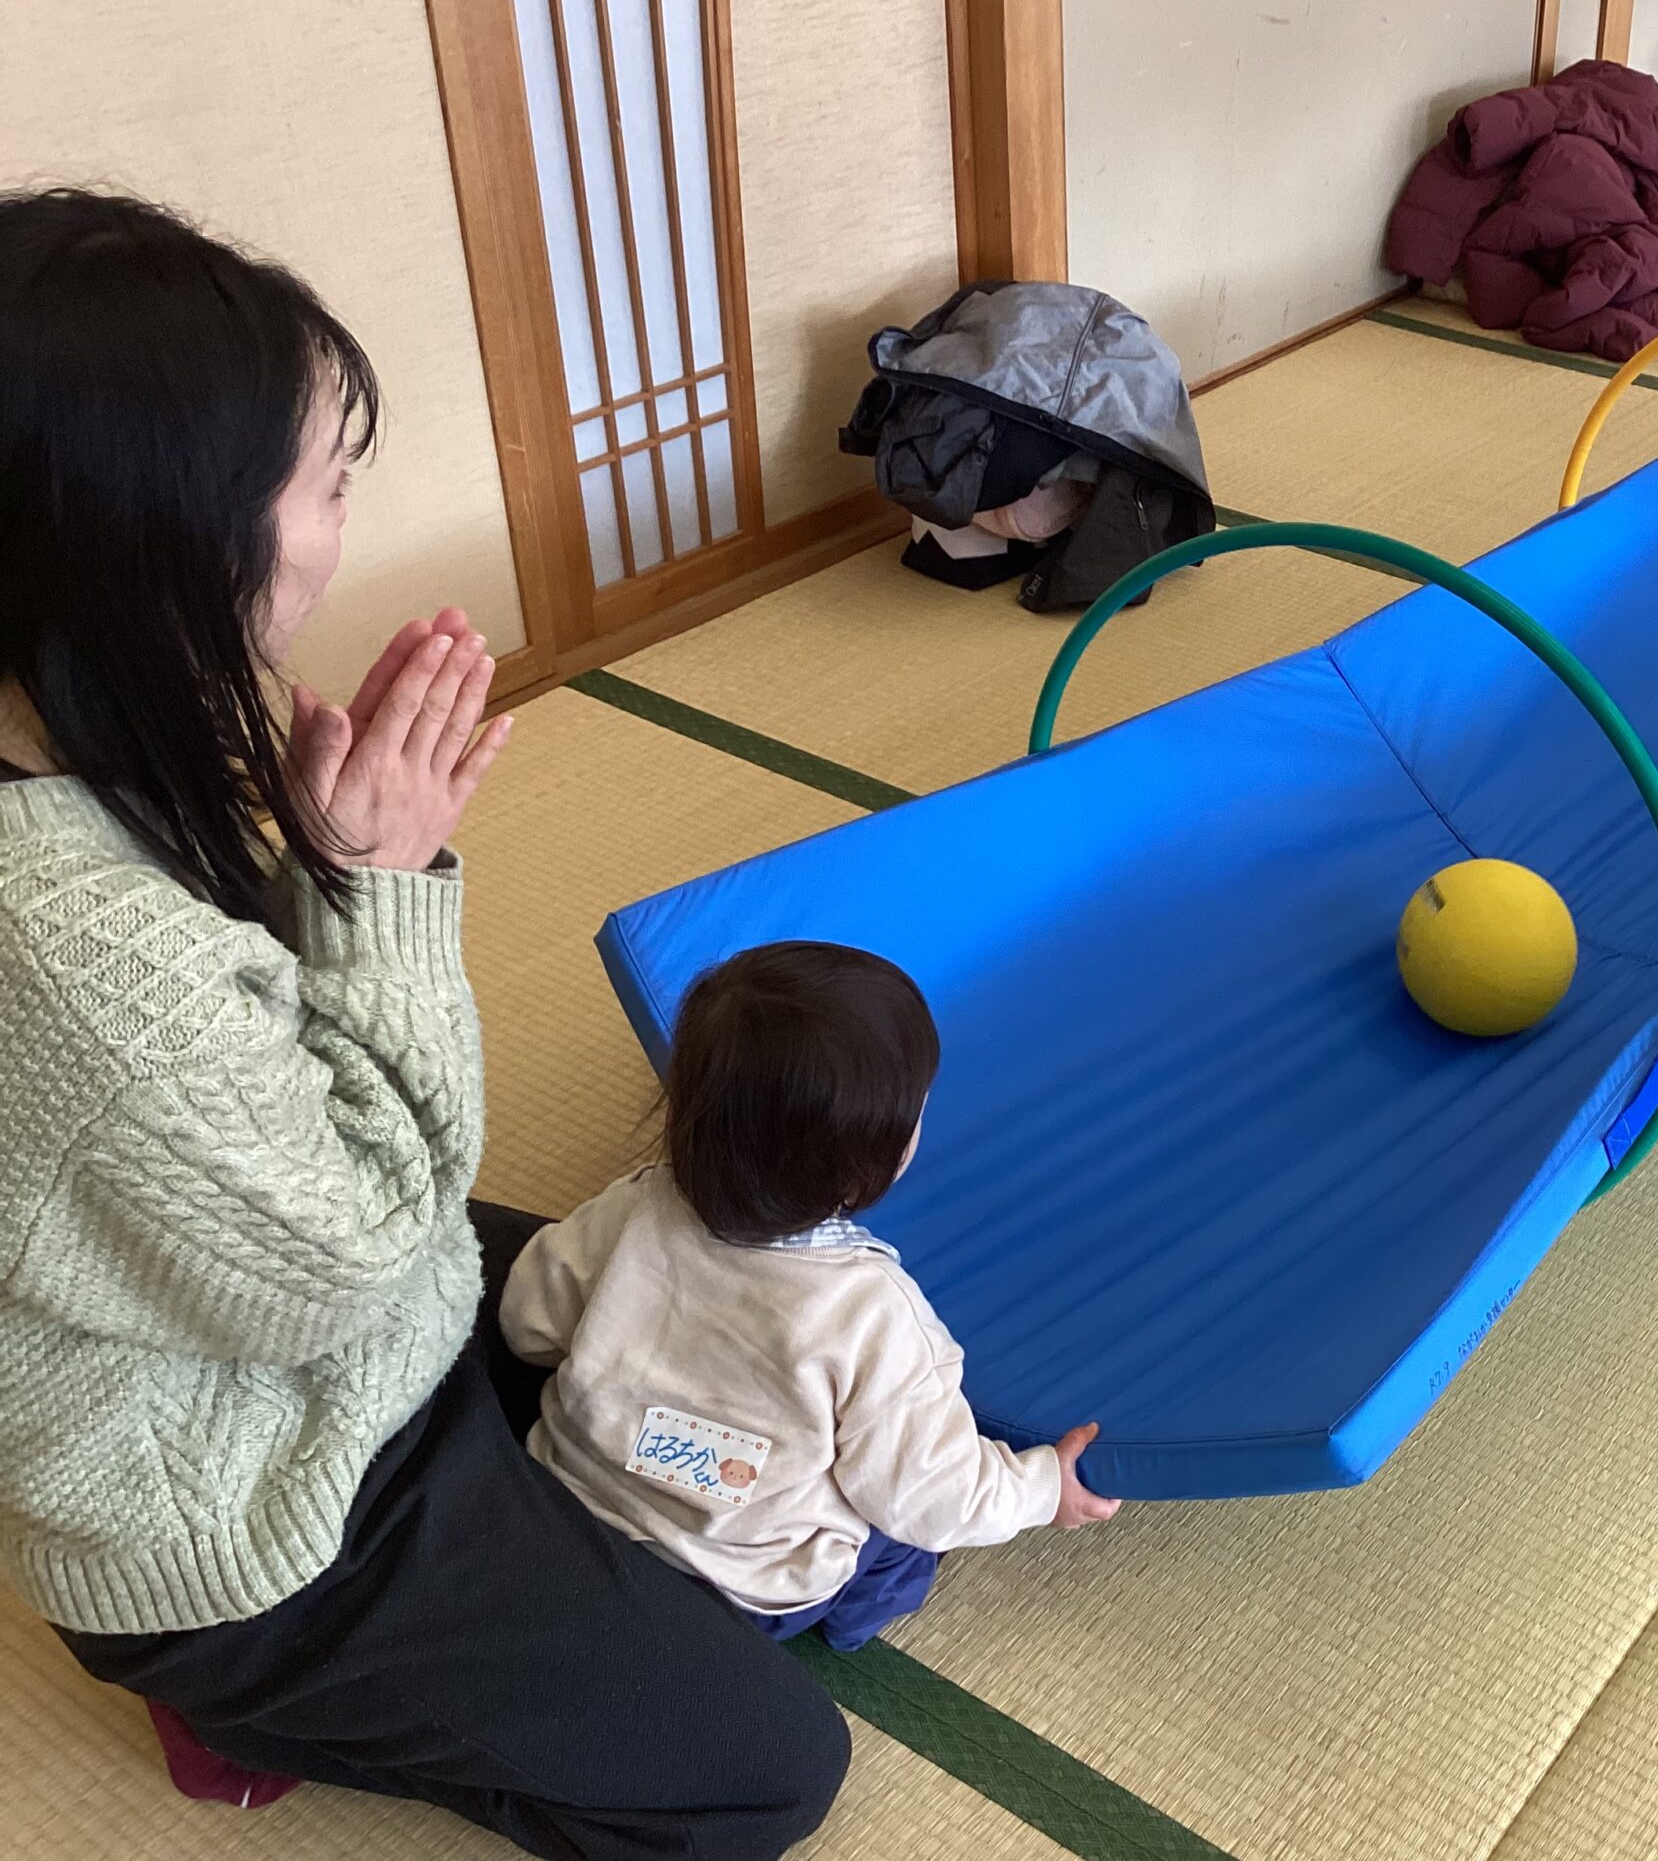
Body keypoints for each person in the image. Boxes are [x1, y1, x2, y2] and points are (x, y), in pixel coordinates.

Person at [0, 188, 853, 1859]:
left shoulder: (63, 744)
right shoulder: (69, 948)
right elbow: (357, 1242)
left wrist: (314, 872)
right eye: (325, 483)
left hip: (265, 1309)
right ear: (161, 531)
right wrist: (375, 891)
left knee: (702, 1285)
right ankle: (244, 1703)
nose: (341, 525)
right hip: (243, 1505)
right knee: (769, 1766)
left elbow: (242, 1097)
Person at [500, 942, 1120, 1654]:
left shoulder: (635, 1210)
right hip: (745, 1584)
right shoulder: (872, 1314)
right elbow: (933, 1492)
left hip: (570, 1501)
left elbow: (527, 1322)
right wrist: (1043, 1489)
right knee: (898, 1529)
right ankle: (856, 1618)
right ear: (867, 1169)